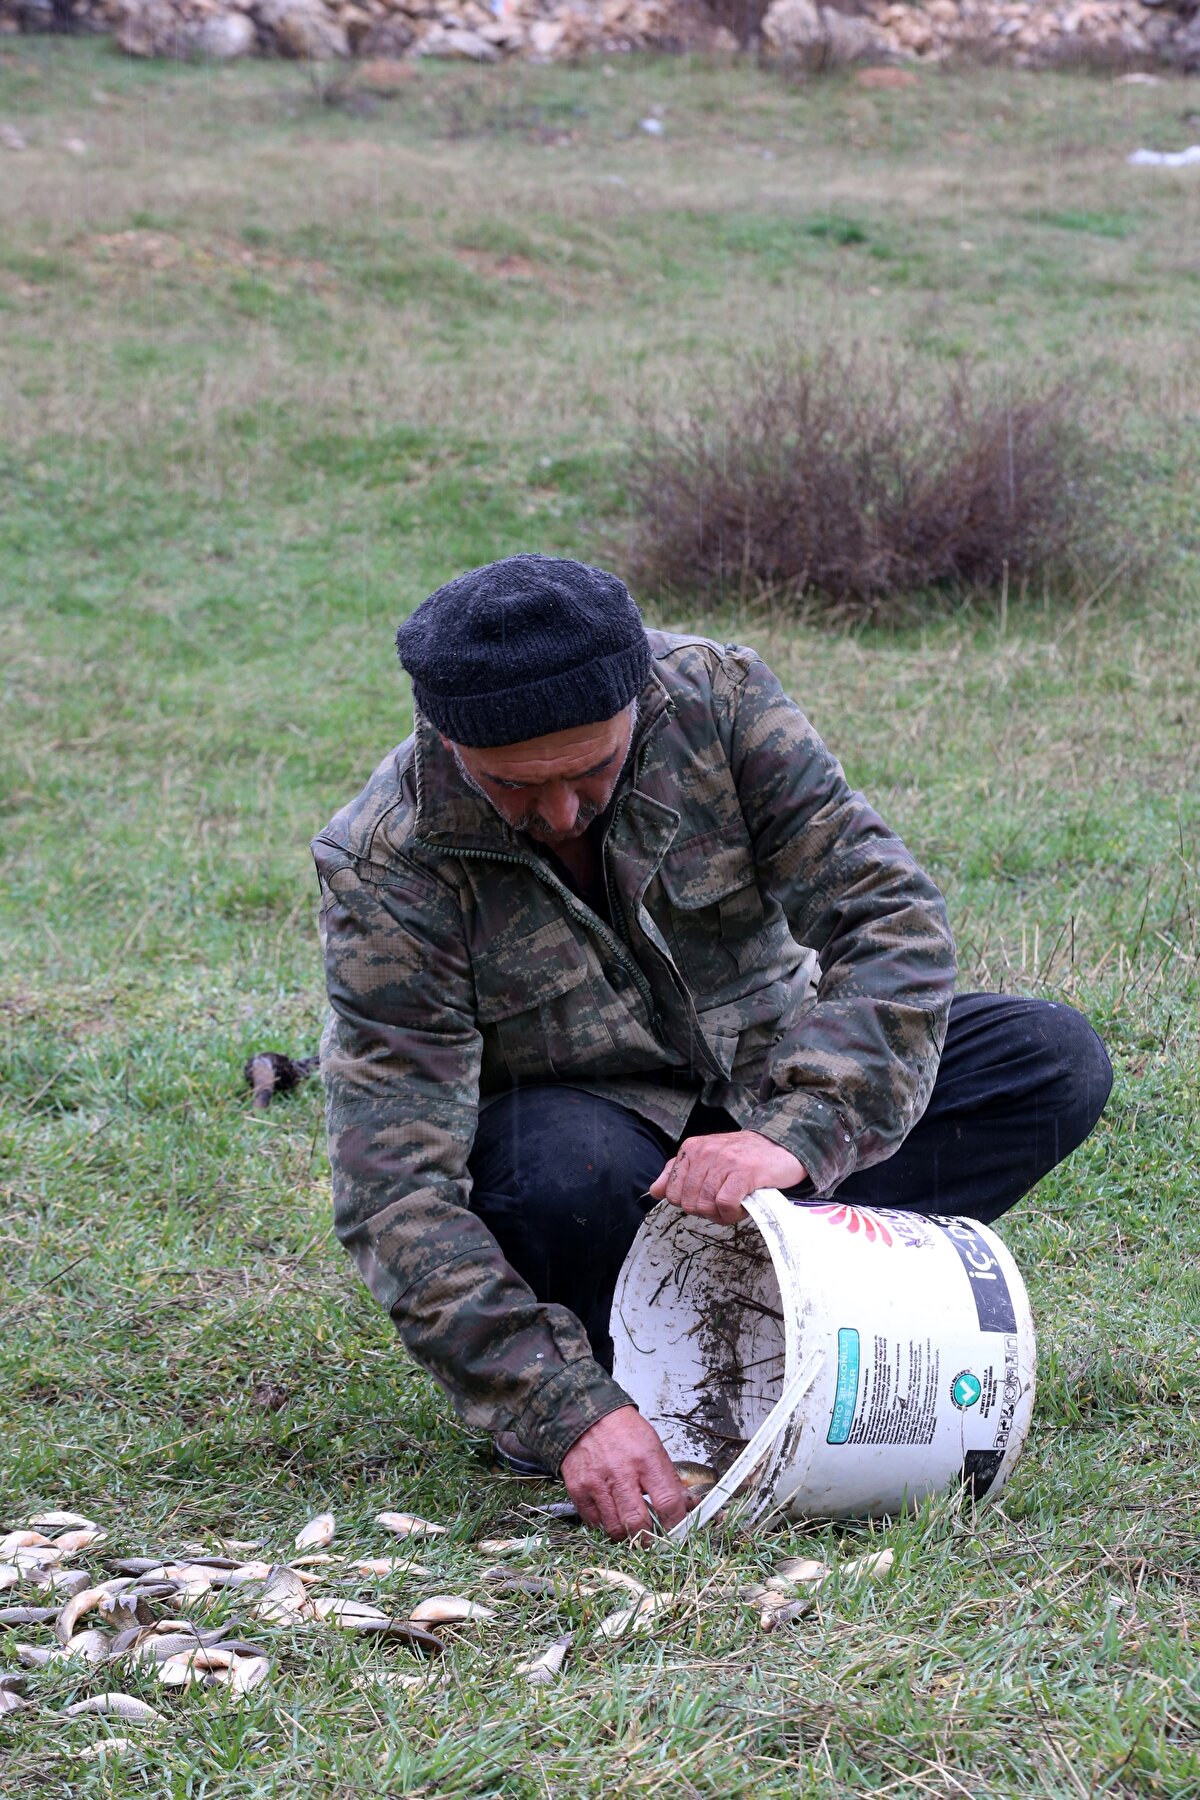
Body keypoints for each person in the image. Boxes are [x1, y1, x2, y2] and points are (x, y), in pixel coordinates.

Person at [312, 554, 1112, 1542]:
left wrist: (801, 1129)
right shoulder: (385, 861)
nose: (560, 813)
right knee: (552, 1170)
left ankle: (797, 1304)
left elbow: (888, 917)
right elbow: (393, 1186)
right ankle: (625, 1384)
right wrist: (560, 1408)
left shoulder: (722, 704)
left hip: (774, 1105)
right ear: (449, 739)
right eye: (515, 789)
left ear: (639, 705)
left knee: (1048, 1058)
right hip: (605, 1166)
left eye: (591, 773)